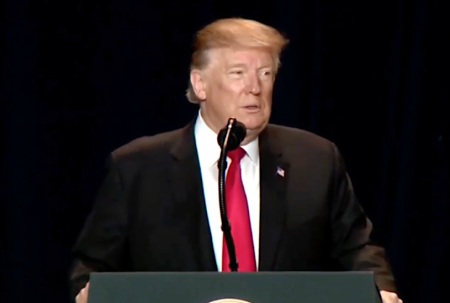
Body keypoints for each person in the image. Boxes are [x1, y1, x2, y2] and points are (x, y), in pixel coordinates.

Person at [70, 18, 403, 303]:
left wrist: (381, 290)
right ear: (200, 84)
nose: (254, 88)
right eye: (238, 73)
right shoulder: (137, 168)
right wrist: (88, 292)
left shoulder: (315, 159)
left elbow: (359, 248)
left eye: (266, 73)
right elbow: (93, 266)